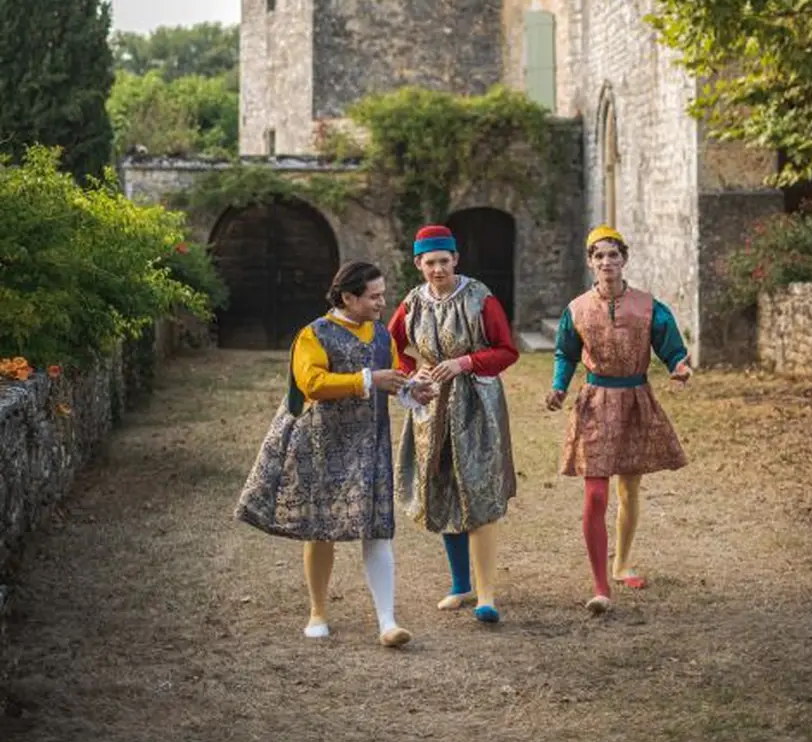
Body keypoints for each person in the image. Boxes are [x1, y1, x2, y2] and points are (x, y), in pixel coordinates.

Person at [236, 260, 425, 647]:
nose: (382, 303)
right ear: (348, 298)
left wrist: (412, 391)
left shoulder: (380, 336)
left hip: (370, 443)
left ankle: (388, 623)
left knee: (377, 527)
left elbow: (390, 380)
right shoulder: (314, 334)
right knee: (321, 529)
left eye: (383, 295)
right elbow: (312, 383)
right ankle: (318, 612)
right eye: (374, 296)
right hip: (322, 444)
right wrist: (368, 379)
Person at [545, 225, 691, 614]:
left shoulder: (648, 306)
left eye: (613, 255)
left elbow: (670, 346)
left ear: (624, 259)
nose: (607, 262)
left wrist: (679, 366)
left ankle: (622, 563)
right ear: (590, 262)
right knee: (596, 494)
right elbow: (565, 354)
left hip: (635, 401)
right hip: (595, 402)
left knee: (629, 488)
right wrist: (558, 388)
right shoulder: (577, 309)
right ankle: (600, 587)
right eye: (599, 256)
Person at [388, 224, 519, 625]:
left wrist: (465, 362)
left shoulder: (479, 298)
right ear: (418, 264)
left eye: (444, 261)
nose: (438, 269)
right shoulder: (413, 303)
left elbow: (506, 350)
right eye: (430, 263)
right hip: (432, 406)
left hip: (477, 403)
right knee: (443, 486)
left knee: (478, 490)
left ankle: (486, 594)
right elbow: (392, 345)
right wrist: (413, 372)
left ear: (456, 259)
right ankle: (460, 584)